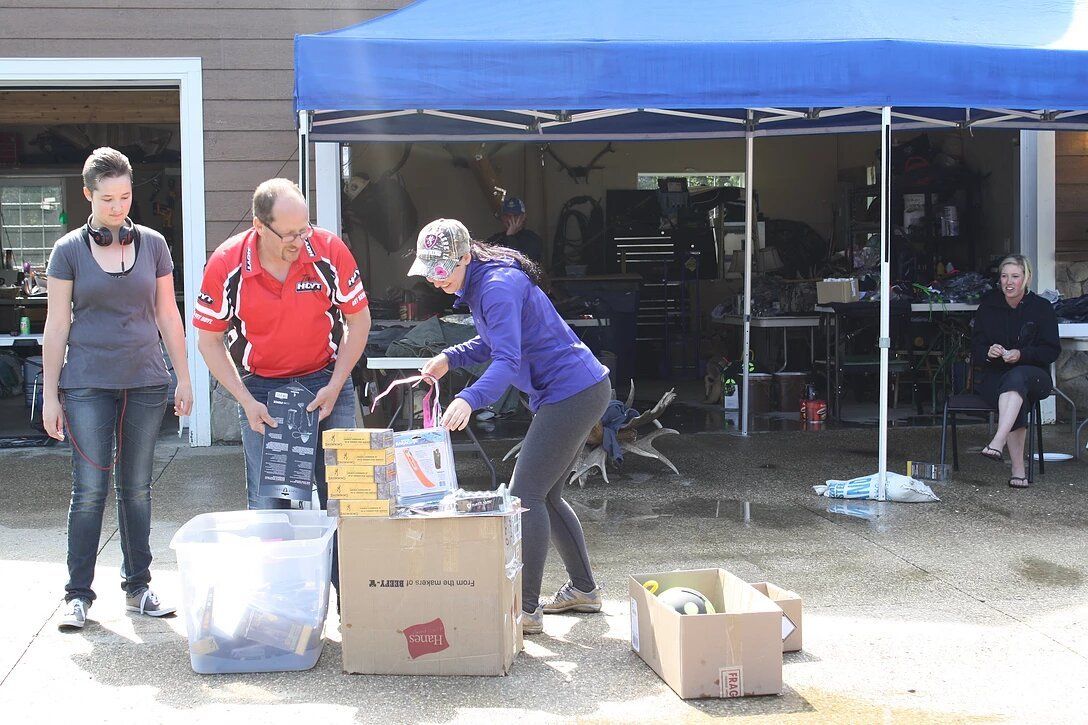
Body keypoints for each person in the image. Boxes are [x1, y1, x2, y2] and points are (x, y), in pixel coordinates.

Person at [412, 218, 610, 635]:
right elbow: (495, 342)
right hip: (577, 389)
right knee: (547, 496)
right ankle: (584, 590)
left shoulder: (496, 287)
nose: (434, 278)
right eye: (428, 270)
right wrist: (450, 357)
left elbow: (507, 359)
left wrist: (469, 398)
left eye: (440, 269)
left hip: (572, 392)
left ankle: (527, 610)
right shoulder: (482, 282)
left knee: (526, 495)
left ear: (465, 257)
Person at [193, 179, 370, 592]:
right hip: (262, 390)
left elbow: (358, 321)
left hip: (326, 379)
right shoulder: (226, 264)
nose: (299, 241)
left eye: (304, 229)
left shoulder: (328, 250)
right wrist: (244, 400)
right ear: (259, 226)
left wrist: (337, 383)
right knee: (273, 504)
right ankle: (284, 602)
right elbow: (208, 340)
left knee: (344, 496)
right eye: (288, 234)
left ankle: (352, 607)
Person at [42, 147, 193, 630]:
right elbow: (56, 324)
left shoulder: (153, 244)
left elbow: (168, 313)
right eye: (107, 198)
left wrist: (184, 376)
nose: (117, 207)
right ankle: (77, 595)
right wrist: (50, 394)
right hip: (87, 383)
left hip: (145, 382)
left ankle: (139, 587)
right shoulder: (68, 250)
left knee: (137, 489)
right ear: (88, 195)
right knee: (89, 490)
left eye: (125, 197)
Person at [971, 254, 1060, 488]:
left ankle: (998, 441)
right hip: (995, 376)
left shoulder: (1042, 308)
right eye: (1004, 276)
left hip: (1036, 376)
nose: (1009, 282)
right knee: (1014, 389)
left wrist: (1022, 354)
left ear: (1027, 278)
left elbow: (1051, 351)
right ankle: (1018, 470)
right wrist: (988, 351)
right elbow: (975, 347)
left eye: (1015, 276)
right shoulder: (988, 306)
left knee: (1017, 377)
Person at [487, 196, 545, 264]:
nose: (511, 219)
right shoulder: (495, 239)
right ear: (502, 218)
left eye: (515, 216)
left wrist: (510, 236)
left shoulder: (533, 239)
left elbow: (522, 262)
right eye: (507, 216)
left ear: (523, 217)